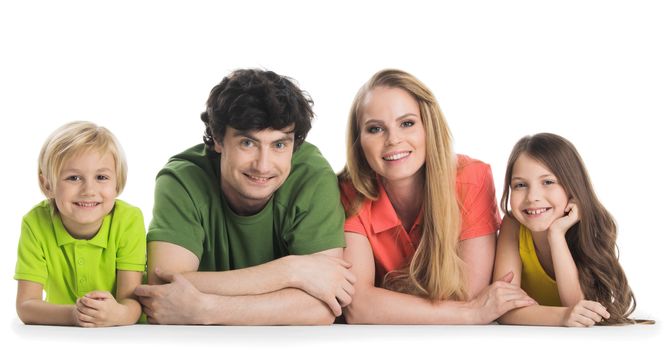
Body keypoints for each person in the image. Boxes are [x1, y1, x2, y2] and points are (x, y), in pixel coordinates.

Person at [135, 69, 355, 325]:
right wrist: (290, 271)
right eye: (248, 143)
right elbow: (162, 288)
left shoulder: (311, 175)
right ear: (218, 139)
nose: (263, 165)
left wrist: (208, 310)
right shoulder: (183, 179)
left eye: (279, 145)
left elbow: (323, 307)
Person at [339, 69, 535, 324]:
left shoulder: (472, 178)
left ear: (428, 127)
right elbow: (358, 308)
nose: (393, 140)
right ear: (358, 141)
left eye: (407, 123)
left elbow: (468, 294)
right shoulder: (348, 190)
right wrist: (469, 313)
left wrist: (387, 301)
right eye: (375, 129)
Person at [493, 133, 642, 326]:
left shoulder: (590, 229)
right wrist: (562, 317)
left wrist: (557, 235)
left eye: (548, 182)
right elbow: (503, 308)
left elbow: (580, 308)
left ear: (572, 186)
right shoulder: (513, 225)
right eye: (520, 185)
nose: (533, 197)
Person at [15, 121, 145, 327]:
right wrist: (75, 315)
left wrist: (118, 315)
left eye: (101, 177)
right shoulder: (35, 223)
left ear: (117, 183)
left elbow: (132, 302)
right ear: (47, 184)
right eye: (73, 178)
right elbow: (26, 305)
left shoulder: (129, 220)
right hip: (63, 338)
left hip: (121, 337)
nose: (89, 190)